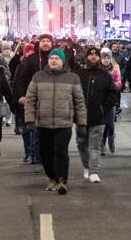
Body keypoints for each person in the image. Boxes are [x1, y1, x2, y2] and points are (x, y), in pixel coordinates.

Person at [25, 47, 87, 194]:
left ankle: (62, 180)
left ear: (62, 61)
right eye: (51, 58)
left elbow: (79, 101)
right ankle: (52, 177)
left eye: (57, 58)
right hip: (43, 123)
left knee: (61, 152)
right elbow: (30, 99)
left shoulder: (73, 78)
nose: (53, 60)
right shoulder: (38, 77)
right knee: (45, 153)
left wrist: (82, 122)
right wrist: (29, 120)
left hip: (63, 123)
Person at [76, 46, 119, 183]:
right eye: (90, 55)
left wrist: (103, 108)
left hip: (98, 117)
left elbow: (113, 94)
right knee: (82, 144)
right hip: (81, 117)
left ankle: (94, 171)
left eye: (96, 55)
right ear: (86, 57)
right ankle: (87, 167)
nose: (93, 57)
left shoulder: (105, 75)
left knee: (94, 145)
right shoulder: (79, 74)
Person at [15, 34, 55, 165]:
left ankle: (48, 154)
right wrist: (21, 95)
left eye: (48, 41)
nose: (45, 43)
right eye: (43, 41)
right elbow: (21, 78)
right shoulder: (32, 59)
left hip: (53, 99)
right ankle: (36, 155)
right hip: (34, 99)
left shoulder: (57, 59)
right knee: (35, 129)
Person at [99, 46, 123, 153]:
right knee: (102, 123)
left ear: (110, 59)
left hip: (111, 100)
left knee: (110, 123)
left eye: (107, 58)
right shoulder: (97, 70)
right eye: (104, 57)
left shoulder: (114, 70)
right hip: (99, 101)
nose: (105, 59)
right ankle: (102, 143)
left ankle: (111, 139)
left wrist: (111, 85)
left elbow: (119, 83)